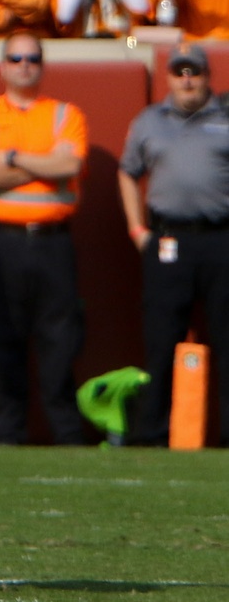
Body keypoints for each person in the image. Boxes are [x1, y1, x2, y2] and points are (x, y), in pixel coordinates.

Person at [0, 32, 88, 446]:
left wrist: (12, 158)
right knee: (2, 336)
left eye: (33, 58)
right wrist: (42, 167)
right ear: (3, 66)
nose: (24, 64)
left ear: (43, 64)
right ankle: (6, 437)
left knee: (60, 340)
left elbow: (69, 165)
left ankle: (67, 437)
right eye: (15, 58)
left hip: (53, 242)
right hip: (2, 244)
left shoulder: (66, 113)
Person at [117, 43, 229, 447]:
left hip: (220, 238)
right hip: (168, 240)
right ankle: (152, 432)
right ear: (168, 77)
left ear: (207, 77)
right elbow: (128, 172)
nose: (187, 80)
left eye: (194, 72)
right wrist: (136, 229)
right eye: (179, 72)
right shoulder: (150, 121)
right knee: (161, 338)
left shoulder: (226, 115)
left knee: (227, 338)